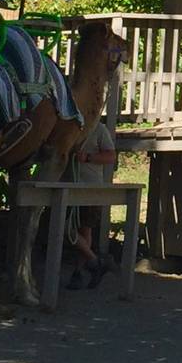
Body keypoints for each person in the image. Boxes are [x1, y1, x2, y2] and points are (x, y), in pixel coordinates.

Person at [66, 120, 117, 290]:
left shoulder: (99, 129)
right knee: (66, 229)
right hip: (66, 187)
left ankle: (78, 272)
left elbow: (111, 156)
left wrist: (88, 158)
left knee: (84, 230)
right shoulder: (67, 127)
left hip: (90, 187)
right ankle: (96, 262)